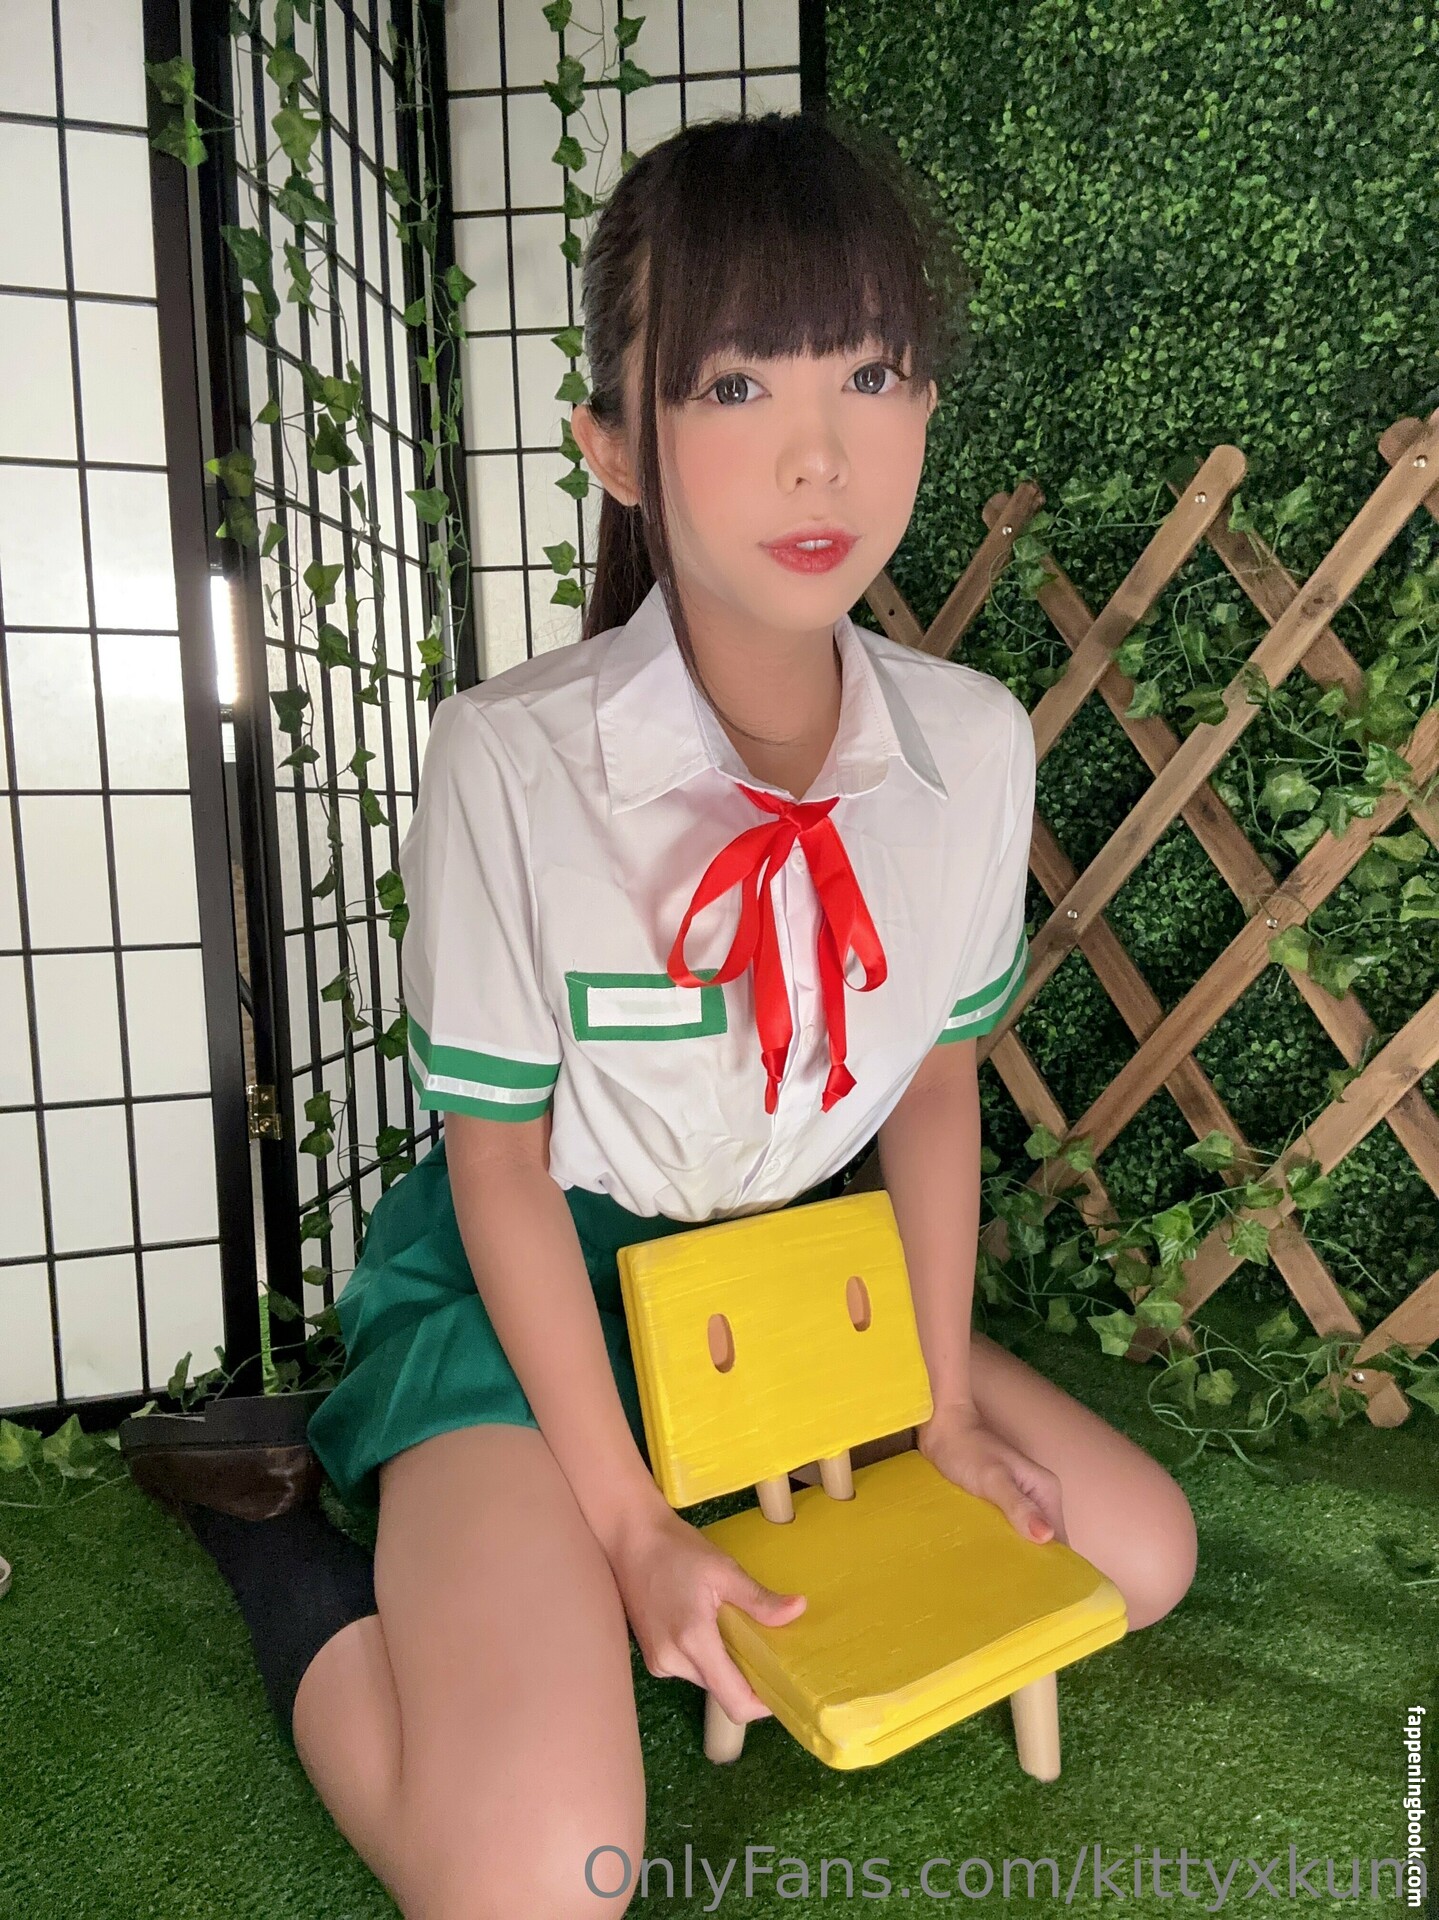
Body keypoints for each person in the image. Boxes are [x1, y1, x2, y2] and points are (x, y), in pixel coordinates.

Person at [140, 109, 1197, 1916]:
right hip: (532, 1287)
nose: (820, 451)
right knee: (539, 1885)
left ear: (925, 407)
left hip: (789, 1282)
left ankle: (623, 1543)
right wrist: (629, 1527)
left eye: (872, 371)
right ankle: (281, 1540)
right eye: (734, 383)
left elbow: (936, 1087)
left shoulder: (969, 747)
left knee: (1141, 1557)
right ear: (615, 446)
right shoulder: (512, 760)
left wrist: (941, 1401)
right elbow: (498, 1168)